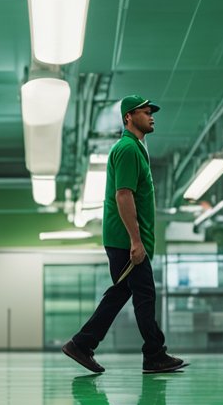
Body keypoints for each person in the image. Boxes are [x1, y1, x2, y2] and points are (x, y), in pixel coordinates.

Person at [62, 94, 186, 374]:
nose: (151, 116)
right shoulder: (127, 149)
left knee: (120, 293)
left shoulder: (134, 149)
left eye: (151, 111)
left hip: (123, 239)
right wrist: (135, 240)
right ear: (128, 117)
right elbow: (123, 195)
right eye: (145, 111)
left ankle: (82, 344)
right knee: (144, 294)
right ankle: (154, 353)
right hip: (124, 239)